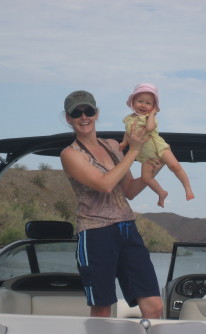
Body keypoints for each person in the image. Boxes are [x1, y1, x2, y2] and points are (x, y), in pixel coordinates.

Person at [60, 90, 164, 319]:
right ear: (68, 118)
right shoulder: (70, 154)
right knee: (102, 308)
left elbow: (129, 191)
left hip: (127, 228)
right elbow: (105, 184)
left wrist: (156, 167)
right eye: (76, 113)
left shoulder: (111, 146)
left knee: (154, 306)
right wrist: (134, 150)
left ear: (96, 114)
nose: (83, 116)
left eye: (88, 111)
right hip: (96, 233)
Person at [120, 83, 194, 207]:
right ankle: (161, 193)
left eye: (148, 103)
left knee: (175, 166)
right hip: (146, 156)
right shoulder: (128, 119)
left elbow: (149, 128)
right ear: (133, 102)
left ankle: (187, 188)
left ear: (153, 106)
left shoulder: (149, 117)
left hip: (159, 148)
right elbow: (128, 133)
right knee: (145, 178)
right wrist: (124, 143)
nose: (143, 105)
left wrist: (152, 114)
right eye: (140, 101)